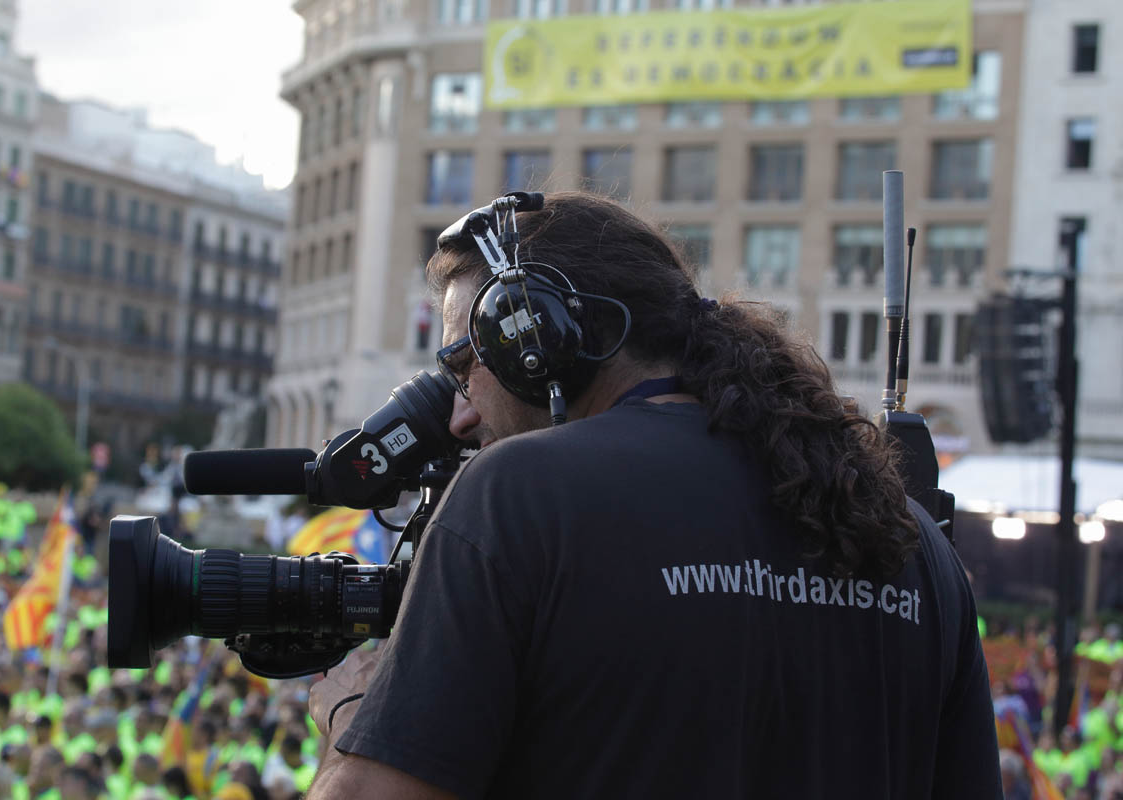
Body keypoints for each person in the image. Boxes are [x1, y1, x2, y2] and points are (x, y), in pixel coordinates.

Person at [307, 191, 1003, 797]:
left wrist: (356, 716)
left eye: (466, 365)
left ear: (543, 339)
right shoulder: (918, 544)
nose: (459, 415)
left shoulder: (517, 494)